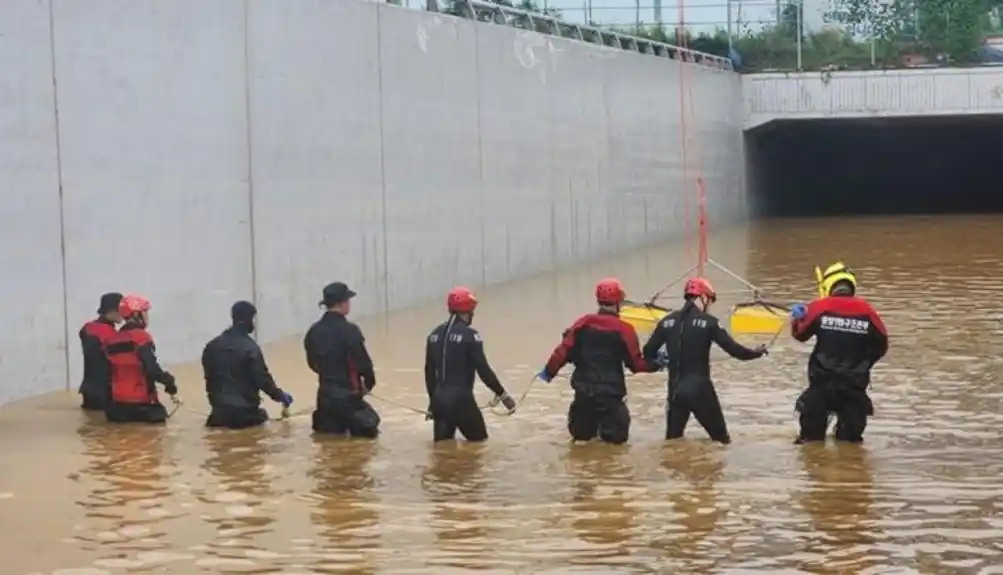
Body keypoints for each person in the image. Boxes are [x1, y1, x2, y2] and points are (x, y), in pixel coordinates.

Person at [641, 277, 766, 445]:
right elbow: (737, 352)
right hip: (700, 390)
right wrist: (757, 352)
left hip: (675, 392)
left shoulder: (667, 321)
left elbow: (648, 352)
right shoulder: (709, 323)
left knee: (672, 444)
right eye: (710, 301)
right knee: (722, 442)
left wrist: (660, 362)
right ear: (703, 297)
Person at [537, 277, 656, 445]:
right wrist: (656, 364)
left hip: (584, 397)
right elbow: (636, 365)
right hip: (611, 398)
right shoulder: (625, 330)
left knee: (581, 445)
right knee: (615, 450)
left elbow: (562, 352)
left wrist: (548, 372)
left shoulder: (582, 323)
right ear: (619, 301)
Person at [790, 262, 888, 444]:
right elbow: (882, 343)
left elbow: (800, 335)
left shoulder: (819, 307)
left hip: (822, 385)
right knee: (851, 445)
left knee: (810, 444)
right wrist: (864, 363)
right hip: (854, 388)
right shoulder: (868, 311)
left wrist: (796, 320)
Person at [424, 287, 516, 442]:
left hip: (440, 401)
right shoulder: (471, 336)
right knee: (479, 447)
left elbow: (429, 373)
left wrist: (433, 402)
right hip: (462, 401)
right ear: (468, 310)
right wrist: (502, 395)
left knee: (442, 453)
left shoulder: (433, 335)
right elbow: (483, 370)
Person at [304, 282, 380, 437]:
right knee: (368, 438)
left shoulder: (313, 331)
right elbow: (364, 364)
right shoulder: (350, 331)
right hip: (349, 400)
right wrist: (368, 385)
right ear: (343, 303)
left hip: (324, 399)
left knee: (328, 448)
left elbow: (313, 364)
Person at [202, 301, 293, 429]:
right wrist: (280, 396)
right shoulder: (250, 348)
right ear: (249, 319)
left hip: (218, 415)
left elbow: (210, 380)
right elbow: (263, 380)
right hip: (246, 416)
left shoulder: (211, 347)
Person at [103, 294, 180, 424]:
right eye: (145, 313)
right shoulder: (142, 338)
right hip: (143, 405)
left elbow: (106, 372)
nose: (147, 317)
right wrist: (170, 383)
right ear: (136, 315)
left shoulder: (111, 340)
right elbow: (152, 368)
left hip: (117, 407)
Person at [78, 292, 123, 411]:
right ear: (112, 311)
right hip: (104, 391)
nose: (124, 315)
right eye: (121, 310)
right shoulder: (110, 334)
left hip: (88, 389)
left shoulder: (87, 328)